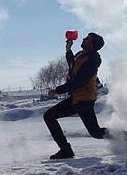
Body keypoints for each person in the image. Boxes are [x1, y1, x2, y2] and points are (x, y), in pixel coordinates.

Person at [44, 31, 108, 159]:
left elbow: (80, 81)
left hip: (83, 98)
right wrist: (68, 50)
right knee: (95, 132)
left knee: (49, 116)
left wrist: (58, 90)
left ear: (92, 44)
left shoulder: (93, 59)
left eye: (87, 39)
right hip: (80, 98)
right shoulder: (83, 55)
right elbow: (72, 65)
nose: (83, 39)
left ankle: (66, 150)